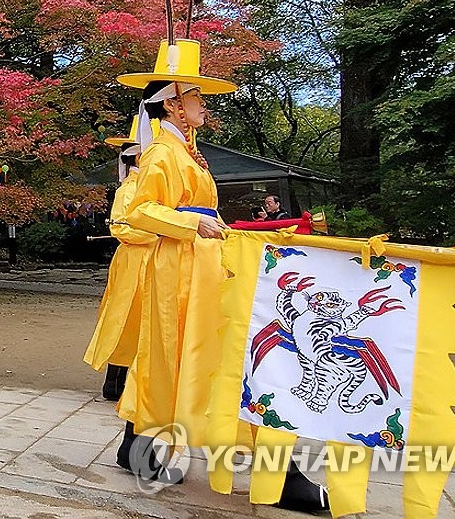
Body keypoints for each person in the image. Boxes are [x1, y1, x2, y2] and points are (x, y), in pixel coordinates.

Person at [115, 38, 326, 512]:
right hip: (179, 269)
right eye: (197, 97)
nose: (204, 106)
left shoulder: (187, 153)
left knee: (197, 354)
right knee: (198, 354)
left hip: (202, 264)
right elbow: (139, 211)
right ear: (173, 102)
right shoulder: (162, 156)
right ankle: (267, 468)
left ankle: (139, 444)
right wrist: (192, 222)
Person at [83, 116, 158, 401]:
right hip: (133, 261)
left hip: (149, 259)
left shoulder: (148, 186)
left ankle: (126, 382)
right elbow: (120, 227)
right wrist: (158, 234)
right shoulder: (129, 189)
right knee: (125, 320)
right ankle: (115, 382)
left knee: (142, 322)